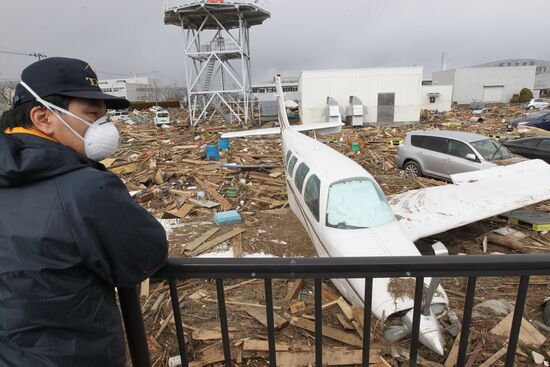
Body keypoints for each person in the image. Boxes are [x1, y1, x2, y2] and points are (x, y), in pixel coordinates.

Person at [0, 57, 168, 366]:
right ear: (43, 117)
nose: (104, 126)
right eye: (91, 114)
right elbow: (146, 253)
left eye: (104, 116)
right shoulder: (84, 188)